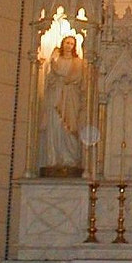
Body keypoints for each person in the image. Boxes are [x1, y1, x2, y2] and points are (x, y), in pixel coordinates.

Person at [39, 35, 84, 174]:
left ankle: (69, 159)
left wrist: (62, 78)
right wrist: (53, 68)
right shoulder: (56, 61)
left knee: (69, 129)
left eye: (71, 43)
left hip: (71, 98)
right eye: (66, 43)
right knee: (55, 126)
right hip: (56, 97)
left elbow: (78, 78)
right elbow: (50, 80)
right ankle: (54, 159)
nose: (69, 45)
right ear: (62, 44)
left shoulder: (78, 62)